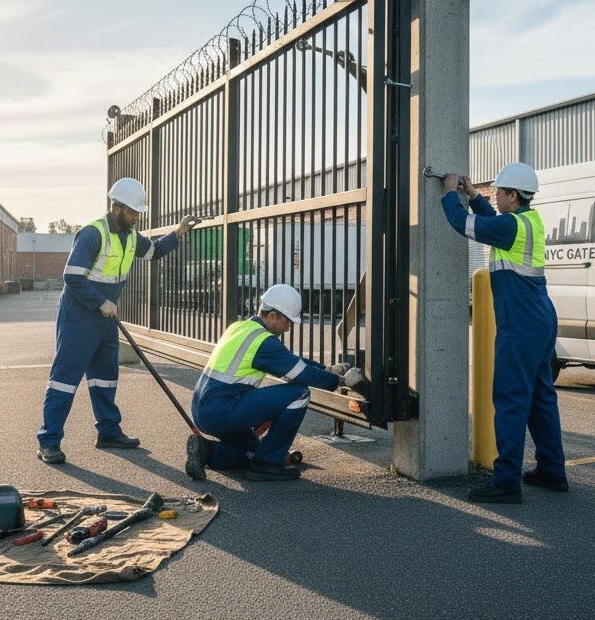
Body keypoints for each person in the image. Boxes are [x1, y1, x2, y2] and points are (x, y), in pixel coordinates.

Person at [37, 177, 197, 464]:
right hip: (79, 316)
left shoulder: (131, 236)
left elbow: (154, 252)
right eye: (133, 211)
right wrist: (101, 302)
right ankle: (49, 441)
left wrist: (179, 232)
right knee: (65, 379)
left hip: (106, 317)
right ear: (116, 207)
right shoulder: (92, 233)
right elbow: (72, 276)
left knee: (105, 376)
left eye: (138, 212)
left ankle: (108, 432)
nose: (137, 216)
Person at [440, 162, 567, 503]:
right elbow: (491, 223)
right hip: (540, 315)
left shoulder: (511, 226)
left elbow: (463, 224)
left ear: (513, 196)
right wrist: (474, 195)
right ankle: (552, 470)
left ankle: (506, 481)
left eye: (499, 192)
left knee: (510, 399)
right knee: (541, 396)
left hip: (521, 321)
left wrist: (451, 193)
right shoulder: (528, 220)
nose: (495, 196)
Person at [185, 283, 364, 482]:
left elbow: (289, 360)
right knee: (300, 393)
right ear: (272, 316)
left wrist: (325, 370)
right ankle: (268, 464)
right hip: (223, 411)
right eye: (287, 321)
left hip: (203, 410)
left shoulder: (239, 327)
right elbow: (299, 373)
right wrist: (340, 380)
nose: (288, 328)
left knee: (253, 452)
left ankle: (207, 451)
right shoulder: (263, 341)